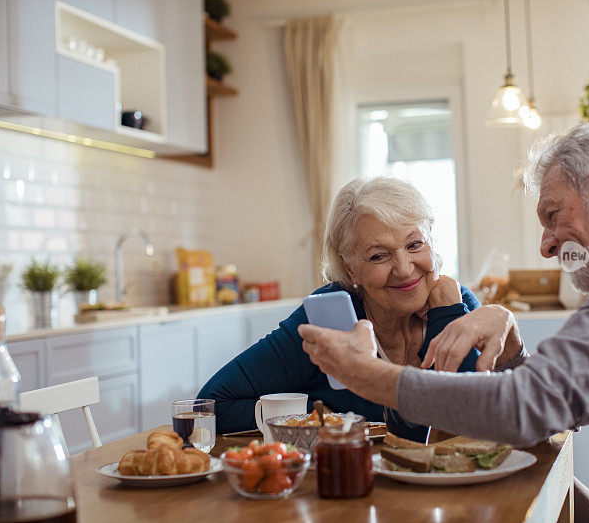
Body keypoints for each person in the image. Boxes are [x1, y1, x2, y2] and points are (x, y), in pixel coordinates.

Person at [299, 122, 589, 521]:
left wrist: (367, 376)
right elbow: (559, 410)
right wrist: (510, 347)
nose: (547, 245)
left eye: (553, 215)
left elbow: (525, 409)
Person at [198, 176, 524, 436]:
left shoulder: (455, 302)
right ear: (351, 268)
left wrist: (446, 316)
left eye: (414, 245)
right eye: (378, 255)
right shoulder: (328, 317)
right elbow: (208, 407)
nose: (405, 268)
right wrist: (315, 414)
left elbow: (467, 419)